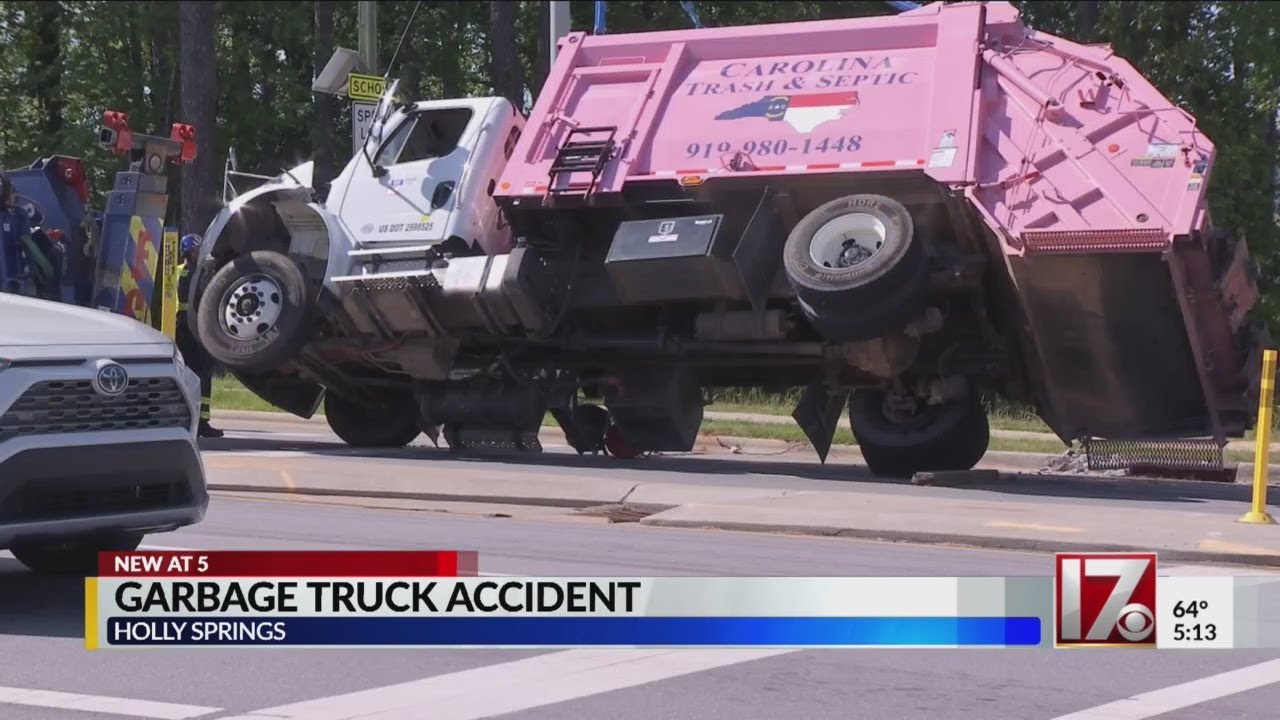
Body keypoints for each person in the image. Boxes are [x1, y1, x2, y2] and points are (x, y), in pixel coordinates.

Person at [176, 233, 223, 438]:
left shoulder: (176, 271)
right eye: (198, 250)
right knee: (202, 374)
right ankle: (202, 422)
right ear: (193, 251)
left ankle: (185, 418)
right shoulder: (199, 273)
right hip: (194, 326)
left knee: (184, 373)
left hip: (178, 326)